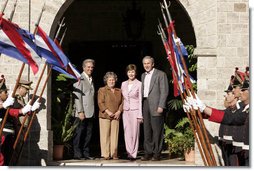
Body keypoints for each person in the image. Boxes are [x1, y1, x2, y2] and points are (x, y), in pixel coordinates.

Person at [184, 79, 249, 166]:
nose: (240, 92)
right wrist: (198, 111)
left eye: (243, 90)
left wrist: (203, 108)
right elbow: (224, 115)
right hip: (237, 147)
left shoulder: (244, 109)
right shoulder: (244, 108)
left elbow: (230, 118)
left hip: (241, 148)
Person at [141, 56, 169, 161]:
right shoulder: (143, 75)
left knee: (157, 131)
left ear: (153, 64)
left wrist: (161, 105)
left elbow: (164, 91)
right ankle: (148, 152)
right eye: (144, 64)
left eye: (148, 63)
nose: (146, 65)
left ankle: (157, 153)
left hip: (156, 105)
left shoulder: (161, 74)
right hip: (145, 103)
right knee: (147, 130)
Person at [73, 59, 95, 160]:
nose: (90, 69)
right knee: (79, 133)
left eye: (91, 67)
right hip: (82, 112)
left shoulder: (90, 78)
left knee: (88, 134)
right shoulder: (79, 78)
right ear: (83, 67)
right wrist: (80, 111)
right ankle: (77, 154)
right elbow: (77, 95)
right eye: (88, 67)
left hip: (90, 111)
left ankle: (86, 153)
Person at [97, 72, 123, 160]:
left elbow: (123, 102)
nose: (112, 81)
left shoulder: (119, 91)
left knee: (114, 135)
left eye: (113, 80)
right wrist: (108, 112)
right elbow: (100, 102)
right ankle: (106, 154)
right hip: (105, 115)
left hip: (116, 116)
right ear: (106, 81)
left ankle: (114, 154)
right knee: (105, 135)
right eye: (110, 80)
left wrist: (119, 111)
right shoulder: (102, 90)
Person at [121, 64, 143, 160]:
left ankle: (134, 153)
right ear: (127, 73)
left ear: (135, 73)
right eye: (129, 71)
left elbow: (140, 100)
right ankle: (129, 152)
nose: (131, 73)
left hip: (135, 110)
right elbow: (122, 99)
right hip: (125, 111)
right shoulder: (123, 84)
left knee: (135, 133)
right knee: (127, 132)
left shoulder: (139, 84)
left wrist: (140, 114)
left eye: (133, 72)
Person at [0, 75, 15, 166]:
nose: (7, 94)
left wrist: (23, 110)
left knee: (6, 158)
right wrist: (4, 105)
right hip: (3, 132)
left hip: (7, 133)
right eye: (5, 92)